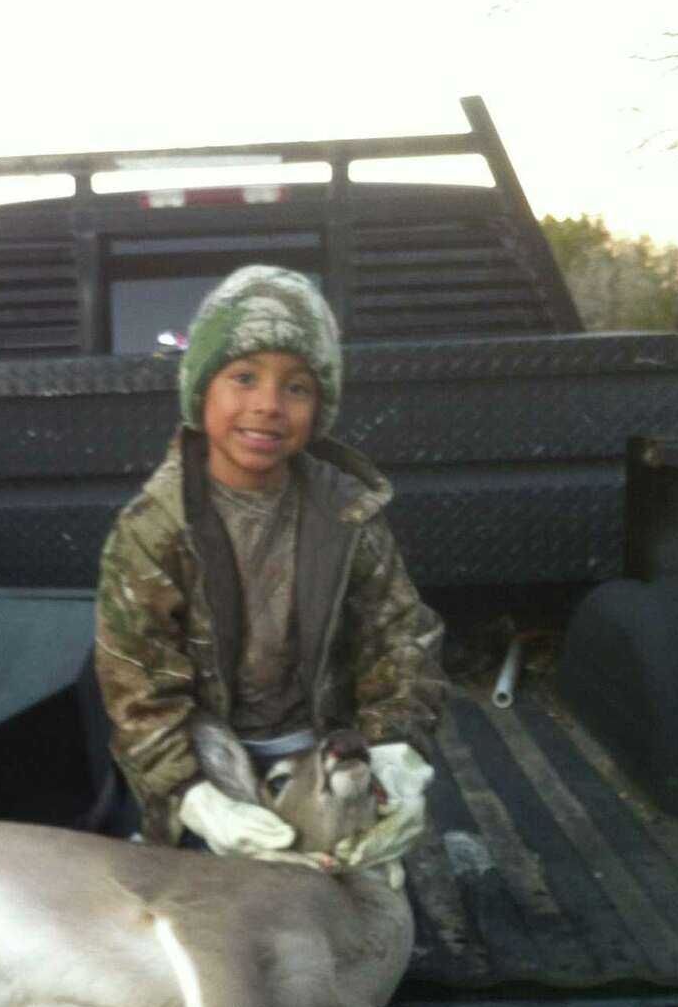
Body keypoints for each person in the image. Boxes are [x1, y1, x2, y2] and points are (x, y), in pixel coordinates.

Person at [94, 265, 446, 866]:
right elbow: (138, 688)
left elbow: (400, 642)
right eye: (243, 377)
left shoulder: (348, 512)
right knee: (216, 919)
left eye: (297, 387)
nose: (267, 406)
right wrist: (192, 797)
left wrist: (395, 755)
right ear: (201, 390)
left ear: (320, 405)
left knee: (351, 909)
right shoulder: (153, 528)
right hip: (208, 762)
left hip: (322, 755)